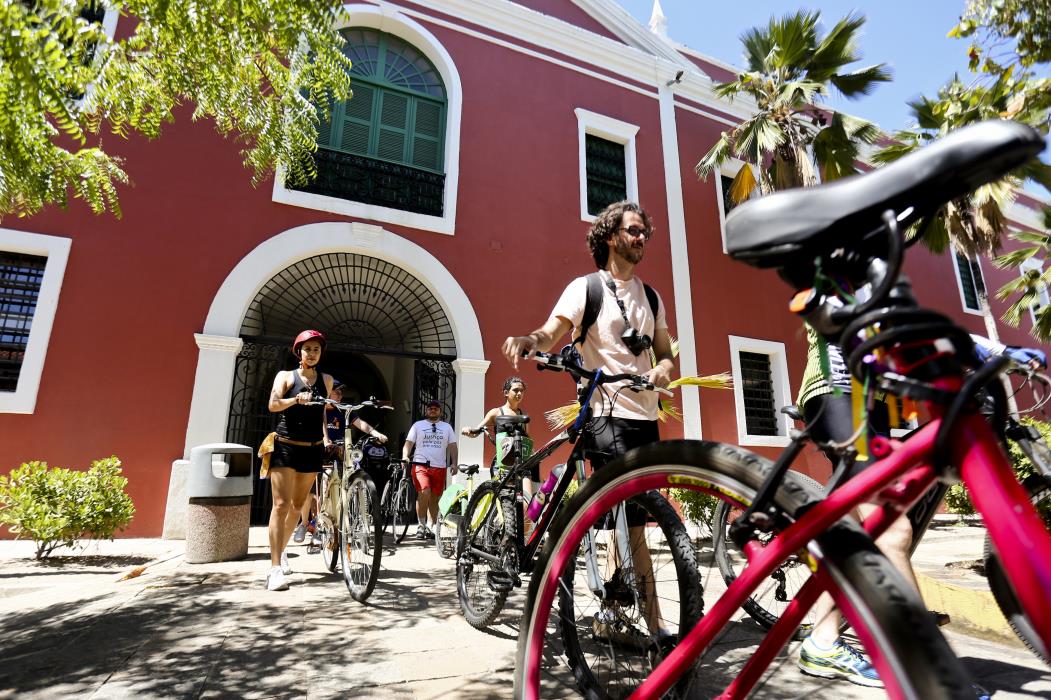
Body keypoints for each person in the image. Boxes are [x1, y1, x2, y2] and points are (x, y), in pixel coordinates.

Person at [502, 200, 675, 641]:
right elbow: (551, 332)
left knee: (632, 516)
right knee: (631, 520)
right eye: (633, 230)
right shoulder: (586, 289)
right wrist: (529, 339)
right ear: (610, 236)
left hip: (645, 414)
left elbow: (665, 351)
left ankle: (614, 613)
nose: (641, 238)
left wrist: (663, 369)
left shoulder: (651, 296)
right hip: (604, 414)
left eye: (645, 233)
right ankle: (655, 629)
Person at [265, 330, 332, 591]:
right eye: (307, 349)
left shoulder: (326, 379)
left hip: (312, 447)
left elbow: (322, 414)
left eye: (316, 349)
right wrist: (295, 399)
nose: (312, 353)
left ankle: (280, 551)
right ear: (299, 352)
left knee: (297, 505)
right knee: (280, 505)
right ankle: (273, 570)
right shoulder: (285, 377)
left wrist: (326, 437)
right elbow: (272, 405)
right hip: (285, 446)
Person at [292, 381, 388, 544]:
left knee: (345, 480)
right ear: (328, 393)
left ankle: (349, 521)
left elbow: (360, 423)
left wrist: (376, 432)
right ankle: (305, 524)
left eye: (341, 393)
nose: (340, 395)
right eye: (337, 392)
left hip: (340, 451)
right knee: (309, 490)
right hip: (319, 450)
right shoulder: (317, 409)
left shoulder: (343, 410)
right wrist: (324, 441)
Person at [462, 376, 536, 497]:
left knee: (527, 498)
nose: (519, 393)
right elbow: (478, 430)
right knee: (503, 498)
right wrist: (469, 430)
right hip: (503, 461)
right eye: (516, 390)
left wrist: (532, 452)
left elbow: (527, 438)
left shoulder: (524, 415)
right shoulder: (496, 412)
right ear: (506, 392)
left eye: (521, 391)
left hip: (521, 461)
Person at [403, 399, 457, 540]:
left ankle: (431, 527)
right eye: (430, 408)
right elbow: (409, 443)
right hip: (421, 464)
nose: (433, 410)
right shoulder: (418, 425)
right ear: (426, 410)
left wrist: (454, 463)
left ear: (440, 411)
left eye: (436, 408)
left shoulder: (447, 427)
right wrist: (405, 456)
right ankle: (421, 525)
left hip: (439, 467)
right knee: (424, 492)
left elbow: (452, 446)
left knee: (434, 497)